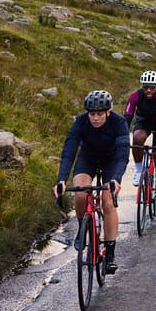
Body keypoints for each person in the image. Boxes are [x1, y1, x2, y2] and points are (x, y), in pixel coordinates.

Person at [54, 90, 129, 274]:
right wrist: (61, 180)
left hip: (111, 161)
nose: (95, 118)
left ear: (108, 112)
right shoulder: (80, 122)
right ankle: (83, 227)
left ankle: (110, 255)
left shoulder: (119, 122)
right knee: (80, 193)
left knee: (107, 201)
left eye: (99, 114)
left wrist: (115, 179)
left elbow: (122, 155)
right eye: (92, 114)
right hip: (88, 159)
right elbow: (69, 152)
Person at [123, 70, 156, 217]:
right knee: (137, 139)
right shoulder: (135, 96)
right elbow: (126, 119)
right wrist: (121, 138)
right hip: (144, 123)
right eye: (146, 86)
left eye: (152, 87)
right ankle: (139, 170)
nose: (148, 90)